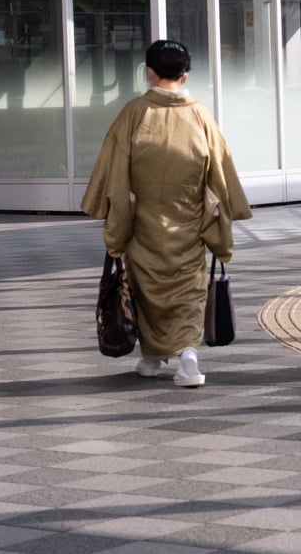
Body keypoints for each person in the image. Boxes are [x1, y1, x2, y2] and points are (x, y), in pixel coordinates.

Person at [82, 39, 252, 387]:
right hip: (188, 226)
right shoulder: (201, 116)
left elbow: (114, 175)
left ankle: (151, 357)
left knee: (145, 291)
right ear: (185, 76)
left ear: (149, 73)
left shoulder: (133, 114)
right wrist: (222, 223)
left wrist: (115, 226)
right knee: (188, 292)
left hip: (143, 226)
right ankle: (187, 357)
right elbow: (220, 174)